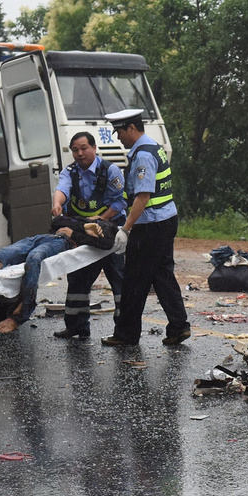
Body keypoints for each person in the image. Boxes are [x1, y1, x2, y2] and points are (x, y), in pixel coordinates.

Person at [100, 109, 191, 347]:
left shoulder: (142, 156)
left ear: (131, 128)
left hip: (150, 225)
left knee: (134, 280)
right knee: (162, 275)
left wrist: (126, 229)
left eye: (119, 132)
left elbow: (143, 195)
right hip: (166, 219)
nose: (117, 137)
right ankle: (179, 327)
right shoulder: (154, 146)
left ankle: (126, 335)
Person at [0, 215, 118, 335]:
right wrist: (83, 225)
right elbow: (56, 222)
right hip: (44, 237)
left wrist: (76, 233)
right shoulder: (83, 220)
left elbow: (107, 243)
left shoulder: (105, 226)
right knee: (2, 255)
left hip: (62, 243)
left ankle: (22, 314)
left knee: (34, 259)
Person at [51, 131, 126, 339]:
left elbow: (121, 202)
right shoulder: (71, 171)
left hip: (111, 232)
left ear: (94, 148)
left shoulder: (110, 171)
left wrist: (101, 218)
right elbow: (62, 188)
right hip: (85, 232)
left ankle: (124, 330)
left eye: (84, 148)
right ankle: (76, 326)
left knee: (119, 280)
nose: (80, 153)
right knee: (77, 277)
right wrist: (57, 203)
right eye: (75, 150)